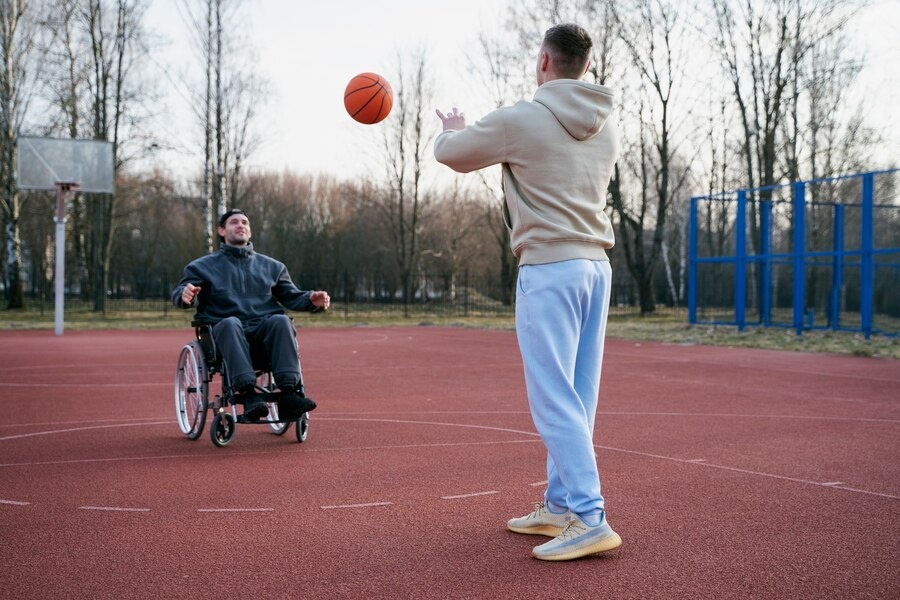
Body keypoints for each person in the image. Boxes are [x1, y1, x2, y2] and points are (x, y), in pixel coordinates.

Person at [433, 23, 621, 561]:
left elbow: (455, 154)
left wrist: (453, 127)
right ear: (585, 65)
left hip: (550, 267)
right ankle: (561, 505)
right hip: (595, 267)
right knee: (579, 395)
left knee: (552, 397)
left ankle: (589, 515)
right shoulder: (609, 125)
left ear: (544, 61)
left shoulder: (522, 118)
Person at [172, 208, 329, 421]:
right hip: (225, 335)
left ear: (250, 231)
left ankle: (290, 395)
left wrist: (311, 300)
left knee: (281, 320)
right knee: (230, 323)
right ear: (221, 231)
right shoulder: (201, 267)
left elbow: (292, 297)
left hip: (262, 335)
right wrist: (185, 294)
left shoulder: (273, 267)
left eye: (245, 222)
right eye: (234, 222)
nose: (241, 225)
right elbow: (181, 294)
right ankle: (247, 395)